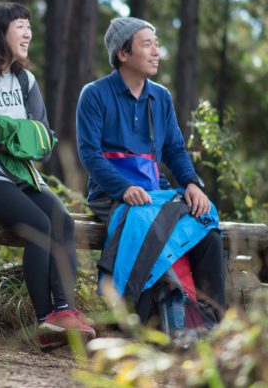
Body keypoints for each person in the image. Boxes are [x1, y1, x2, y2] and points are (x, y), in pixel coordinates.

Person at [0, 2, 96, 349]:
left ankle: (64, 312)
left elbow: (42, 142)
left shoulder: (26, 80)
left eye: (29, 26)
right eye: (20, 26)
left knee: (63, 221)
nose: (28, 33)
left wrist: (5, 133)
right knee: (38, 225)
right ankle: (45, 322)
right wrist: (17, 138)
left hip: (22, 175)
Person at [76, 16, 226, 324]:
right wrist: (123, 188)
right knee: (142, 222)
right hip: (110, 194)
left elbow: (174, 149)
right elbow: (90, 155)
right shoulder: (94, 94)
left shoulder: (161, 96)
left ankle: (215, 327)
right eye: (147, 44)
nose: (156, 52)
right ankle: (133, 322)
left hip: (154, 191)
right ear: (122, 53)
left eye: (157, 45)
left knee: (207, 229)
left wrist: (192, 183)